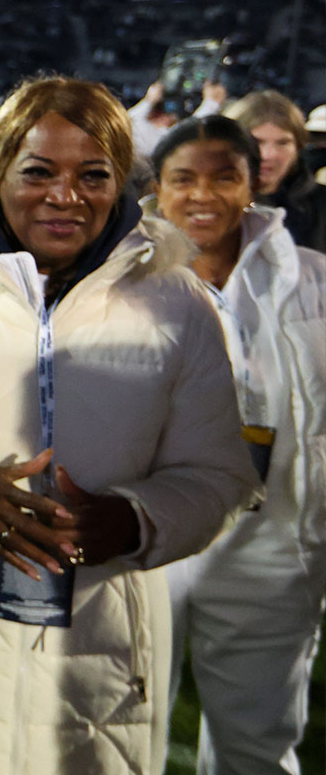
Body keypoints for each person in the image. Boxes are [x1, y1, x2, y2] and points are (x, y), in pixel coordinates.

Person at [0, 76, 259, 775]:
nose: (66, 195)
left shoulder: (177, 300)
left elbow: (220, 474)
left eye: (93, 175)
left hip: (104, 657)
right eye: (39, 171)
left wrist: (135, 520)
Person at [147, 116, 326, 775]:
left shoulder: (312, 280)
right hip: (143, 543)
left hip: (269, 544)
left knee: (257, 747)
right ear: (157, 190)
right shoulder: (113, 282)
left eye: (226, 177)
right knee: (114, 733)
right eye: (184, 178)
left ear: (254, 184)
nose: (204, 195)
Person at [226, 90, 326, 253]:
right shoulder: (213, 203)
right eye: (257, 142)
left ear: (298, 147)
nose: (269, 155)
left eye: (282, 143)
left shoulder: (321, 204)